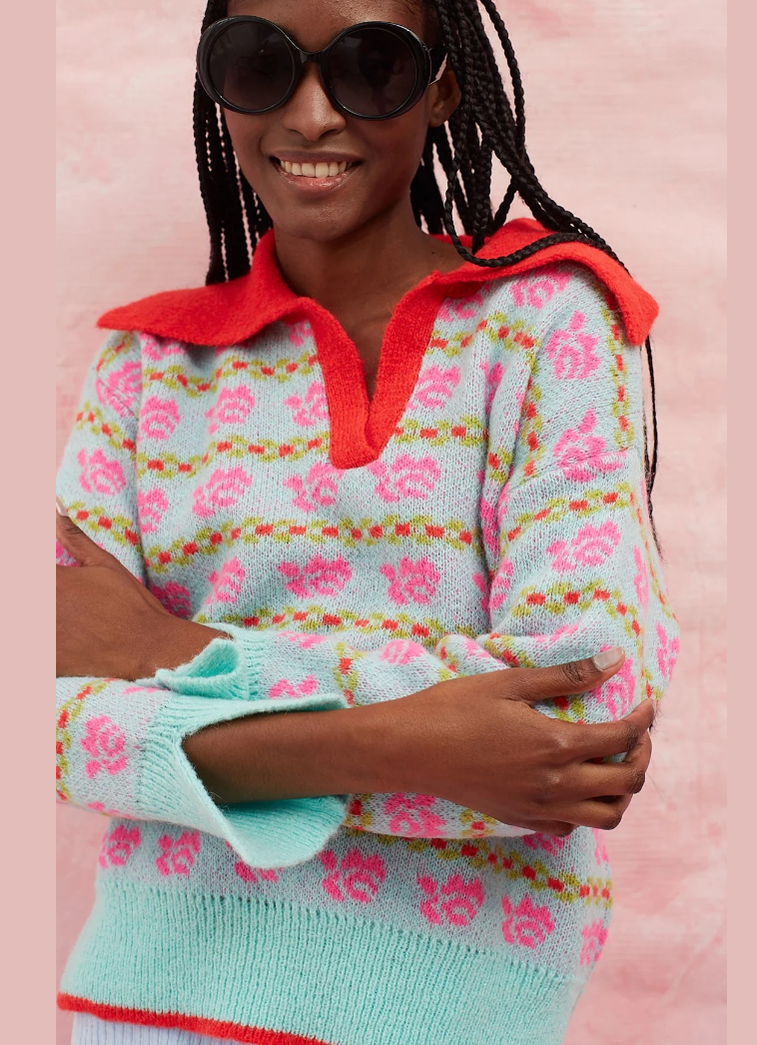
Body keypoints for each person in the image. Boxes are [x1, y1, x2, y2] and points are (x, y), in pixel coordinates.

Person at [55, 1, 679, 1043]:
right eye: (259, 63)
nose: (309, 114)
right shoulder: (145, 368)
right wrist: (407, 745)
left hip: (453, 1016)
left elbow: (583, 723)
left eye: (371, 66)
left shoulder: (545, 324)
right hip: (146, 1007)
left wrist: (170, 653)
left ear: (441, 88)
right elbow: (53, 724)